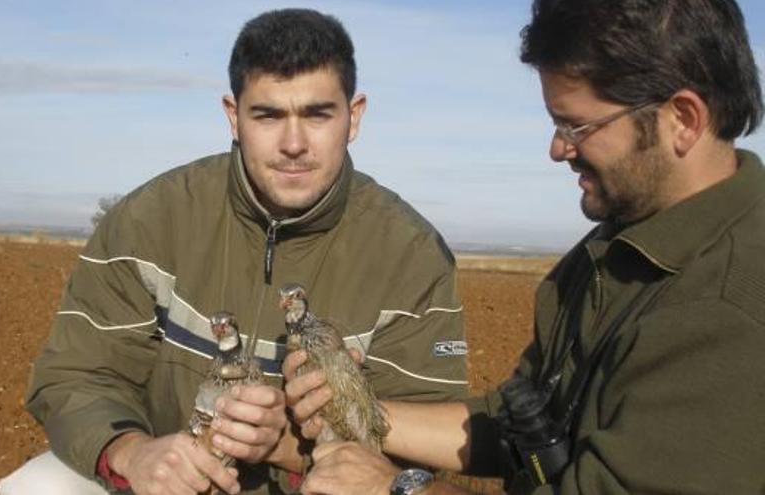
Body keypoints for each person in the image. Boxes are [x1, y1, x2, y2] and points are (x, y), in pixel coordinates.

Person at [287, 0, 765, 494]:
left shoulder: (731, 313)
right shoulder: (618, 249)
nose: (558, 149)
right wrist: (359, 409)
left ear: (683, 119)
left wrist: (395, 488)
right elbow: (520, 418)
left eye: (577, 126)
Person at [0, 8, 469, 495]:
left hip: (315, 486)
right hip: (172, 481)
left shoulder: (412, 256)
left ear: (355, 116)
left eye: (317, 114)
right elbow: (77, 374)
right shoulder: (151, 219)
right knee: (36, 487)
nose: (293, 143)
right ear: (233, 116)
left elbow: (419, 450)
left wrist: (289, 447)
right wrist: (133, 453)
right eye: (268, 115)